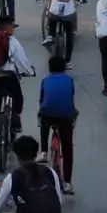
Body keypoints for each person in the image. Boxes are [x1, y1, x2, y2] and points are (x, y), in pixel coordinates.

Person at [0, 18, 35, 146]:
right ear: (7, 27)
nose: (13, 30)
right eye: (12, 27)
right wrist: (30, 71)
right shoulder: (11, 40)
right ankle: (15, 120)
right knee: (18, 98)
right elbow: (21, 59)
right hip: (8, 76)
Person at [37, 55, 77, 188]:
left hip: (48, 114)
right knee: (67, 148)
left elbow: (42, 100)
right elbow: (70, 97)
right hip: (66, 116)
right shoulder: (70, 80)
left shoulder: (45, 80)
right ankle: (67, 181)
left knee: (43, 118)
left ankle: (43, 151)